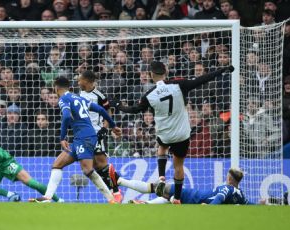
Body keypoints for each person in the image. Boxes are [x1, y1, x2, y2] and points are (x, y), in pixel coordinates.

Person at [112, 61, 234, 204]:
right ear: (166, 73)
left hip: (165, 133)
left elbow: (134, 110)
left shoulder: (149, 95)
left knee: (162, 148)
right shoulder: (179, 85)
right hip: (182, 134)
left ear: (151, 75)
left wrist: (119, 105)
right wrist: (222, 70)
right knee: (178, 166)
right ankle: (176, 198)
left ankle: (162, 176)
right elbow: (202, 79)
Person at [30, 77, 122, 203]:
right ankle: (47, 197)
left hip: (85, 137)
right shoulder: (78, 98)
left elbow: (67, 116)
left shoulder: (63, 99)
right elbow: (101, 109)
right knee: (57, 164)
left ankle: (111, 199)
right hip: (81, 138)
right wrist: (113, 125)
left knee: (87, 170)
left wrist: (62, 137)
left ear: (56, 88)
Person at [77, 70, 122, 202]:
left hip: (96, 133)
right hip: (83, 135)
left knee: (101, 164)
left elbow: (108, 111)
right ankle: (115, 190)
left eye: (80, 80)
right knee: (96, 167)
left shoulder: (99, 95)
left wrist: (105, 128)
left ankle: (116, 191)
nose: (78, 82)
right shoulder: (79, 94)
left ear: (88, 81)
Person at [126, 168, 253, 205]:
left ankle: (120, 181)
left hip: (189, 195)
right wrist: (265, 204)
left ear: (230, 179)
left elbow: (219, 198)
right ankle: (145, 205)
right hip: (192, 199)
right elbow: (250, 205)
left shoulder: (227, 188)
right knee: (168, 199)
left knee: (156, 187)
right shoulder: (240, 194)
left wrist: (209, 208)